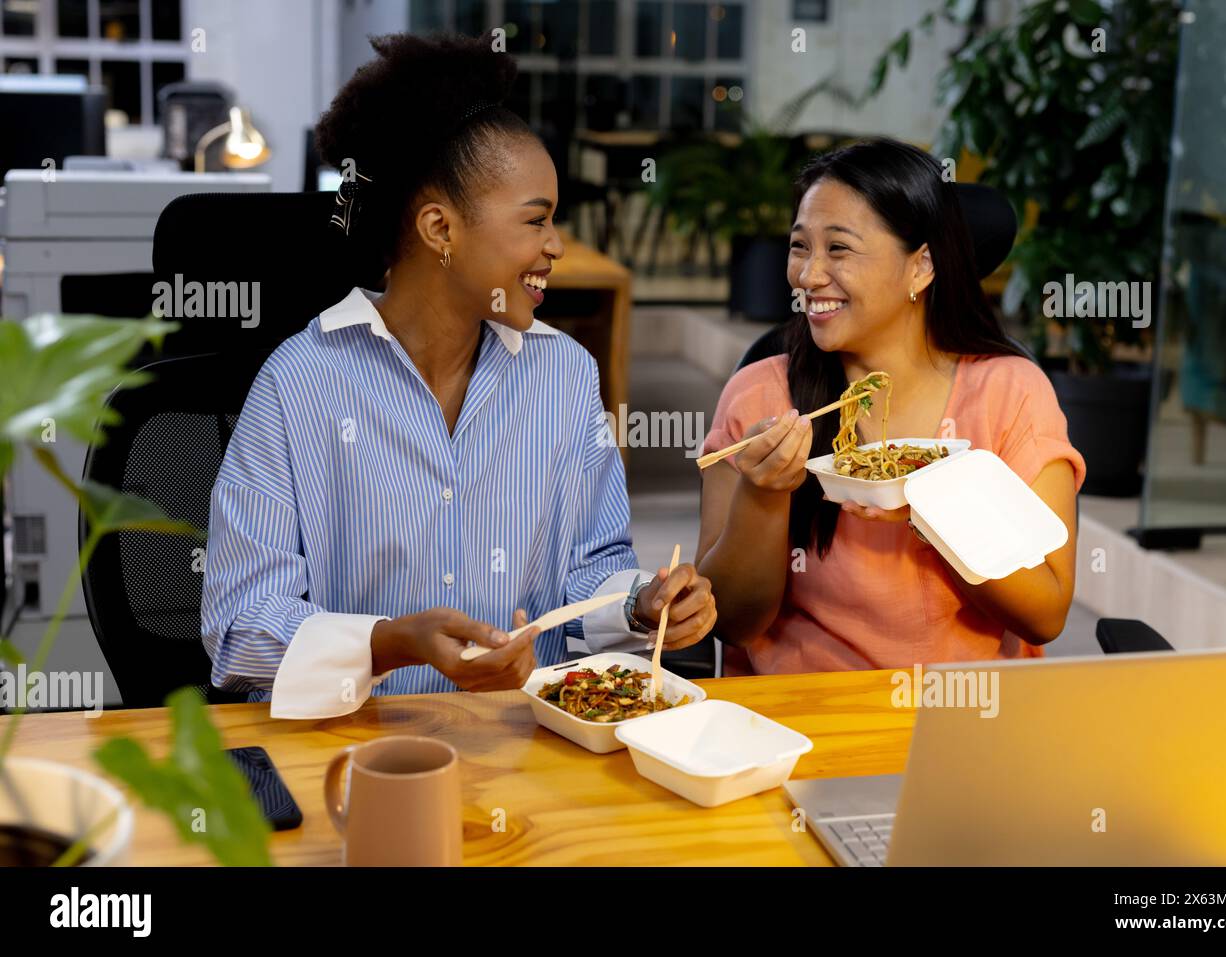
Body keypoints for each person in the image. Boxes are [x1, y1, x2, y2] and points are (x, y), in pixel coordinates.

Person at [201, 33, 716, 719]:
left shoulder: (562, 376)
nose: (555, 245)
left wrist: (638, 601)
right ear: (441, 229)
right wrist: (387, 644)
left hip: (522, 747)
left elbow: (587, 573)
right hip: (355, 755)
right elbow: (238, 628)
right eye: (536, 220)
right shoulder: (299, 385)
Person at [696, 137, 1084, 677]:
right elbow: (734, 622)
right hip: (801, 719)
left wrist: (936, 508)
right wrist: (763, 493)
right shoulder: (759, 396)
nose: (808, 276)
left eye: (839, 249)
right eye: (800, 246)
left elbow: (1045, 615)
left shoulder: (1010, 394)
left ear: (921, 267)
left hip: (960, 718)